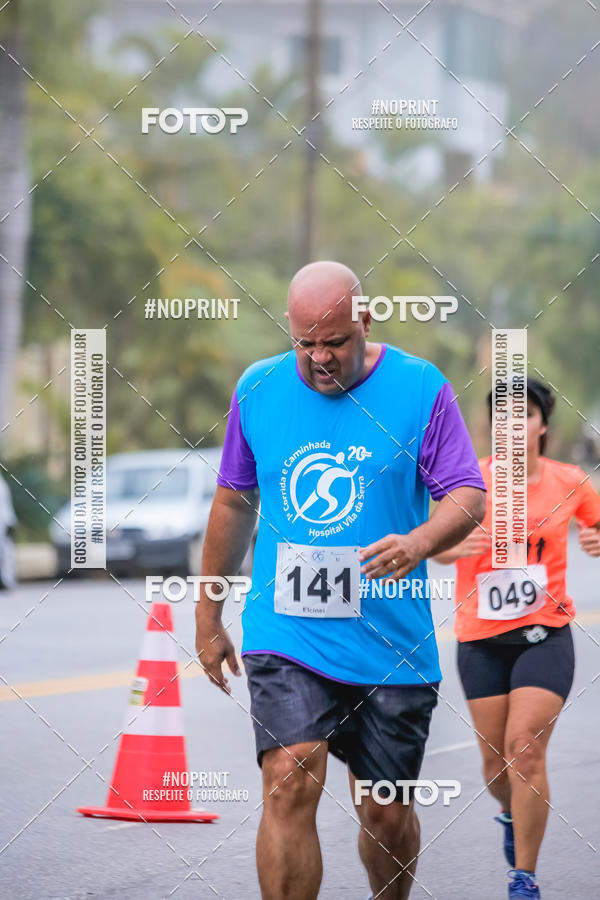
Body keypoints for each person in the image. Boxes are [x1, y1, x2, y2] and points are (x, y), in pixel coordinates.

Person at [195, 260, 486, 900]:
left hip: (391, 642)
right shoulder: (259, 387)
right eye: (306, 343)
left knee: (384, 811)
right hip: (287, 630)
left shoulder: (419, 388)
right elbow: (234, 502)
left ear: (365, 320)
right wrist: (208, 614)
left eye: (335, 342)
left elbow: (467, 493)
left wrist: (421, 540)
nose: (320, 358)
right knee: (290, 774)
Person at [434, 378, 600, 899]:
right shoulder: (470, 485)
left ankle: (523, 878)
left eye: (523, 416)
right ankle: (510, 812)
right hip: (480, 638)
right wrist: (450, 549)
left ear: (542, 425)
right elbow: (432, 545)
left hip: (544, 634)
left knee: (523, 748)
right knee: (495, 761)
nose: (512, 427)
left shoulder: (570, 481)